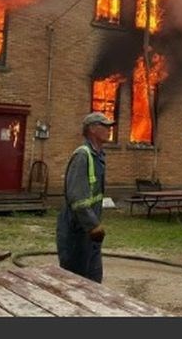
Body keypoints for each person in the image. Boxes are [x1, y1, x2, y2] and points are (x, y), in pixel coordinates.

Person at [56, 112, 113, 282]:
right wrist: (93, 225)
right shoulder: (83, 156)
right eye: (105, 126)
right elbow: (78, 199)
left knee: (94, 283)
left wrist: (94, 228)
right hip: (77, 233)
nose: (109, 130)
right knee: (76, 284)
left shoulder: (98, 156)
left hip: (90, 233)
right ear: (93, 129)